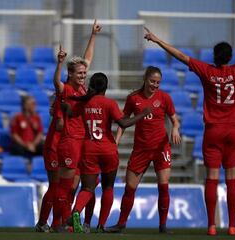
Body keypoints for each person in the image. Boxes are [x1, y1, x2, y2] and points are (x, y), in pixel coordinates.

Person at [143, 17, 235, 235]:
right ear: (231, 57)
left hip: (213, 131)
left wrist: (157, 40)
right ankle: (233, 225)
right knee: (232, 179)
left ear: (214, 57)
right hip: (234, 131)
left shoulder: (207, 71)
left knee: (212, 178)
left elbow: (181, 56)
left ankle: (212, 226)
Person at [65, 72, 152, 233]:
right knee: (108, 187)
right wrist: (142, 114)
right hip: (108, 150)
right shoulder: (109, 103)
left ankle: (75, 212)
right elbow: (124, 123)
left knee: (87, 188)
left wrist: (62, 105)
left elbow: (70, 113)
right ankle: (101, 225)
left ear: (91, 86)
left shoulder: (84, 102)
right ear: (106, 87)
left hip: (89, 149)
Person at [106, 66, 181, 234]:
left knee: (163, 186)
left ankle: (163, 226)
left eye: (158, 83)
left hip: (161, 148)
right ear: (145, 79)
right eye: (152, 81)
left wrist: (175, 128)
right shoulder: (133, 98)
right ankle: (121, 224)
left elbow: (175, 120)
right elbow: (123, 122)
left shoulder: (165, 98)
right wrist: (116, 142)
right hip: (140, 149)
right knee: (129, 188)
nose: (155, 85)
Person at [52, 19, 102, 231]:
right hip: (70, 141)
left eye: (84, 73)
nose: (83, 76)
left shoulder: (82, 88)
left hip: (83, 143)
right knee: (65, 186)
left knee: (76, 186)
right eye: (79, 73)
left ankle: (66, 221)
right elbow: (56, 82)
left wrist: (93, 35)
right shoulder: (66, 89)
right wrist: (60, 63)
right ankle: (59, 223)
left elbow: (87, 59)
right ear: (70, 74)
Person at [35, 95, 63, 232]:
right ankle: (42, 222)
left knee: (63, 187)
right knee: (55, 186)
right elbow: (59, 125)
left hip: (64, 147)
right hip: (54, 147)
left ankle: (58, 222)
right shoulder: (62, 101)